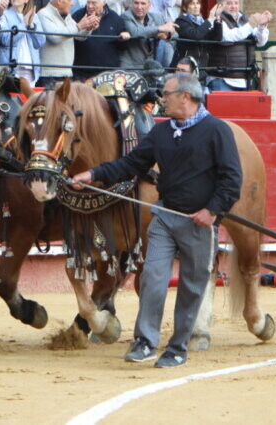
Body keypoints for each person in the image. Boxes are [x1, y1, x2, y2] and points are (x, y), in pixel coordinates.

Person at [70, 72, 243, 369]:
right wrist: (93, 174)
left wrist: (213, 211)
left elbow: (231, 178)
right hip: (164, 216)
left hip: (199, 222)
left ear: (185, 97)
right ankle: (145, 341)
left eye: (167, 94)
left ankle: (177, 348)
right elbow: (131, 164)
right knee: (151, 277)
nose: (162, 99)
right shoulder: (162, 132)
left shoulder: (216, 130)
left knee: (191, 286)